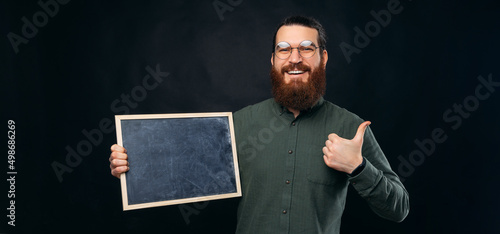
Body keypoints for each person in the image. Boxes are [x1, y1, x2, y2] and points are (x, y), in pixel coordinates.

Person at [110, 15, 409, 233]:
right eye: (284, 49)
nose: (295, 58)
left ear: (323, 58)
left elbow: (399, 210)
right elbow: (179, 170)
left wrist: (359, 168)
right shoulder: (240, 123)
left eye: (307, 48)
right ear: (273, 60)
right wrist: (133, 163)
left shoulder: (350, 127)